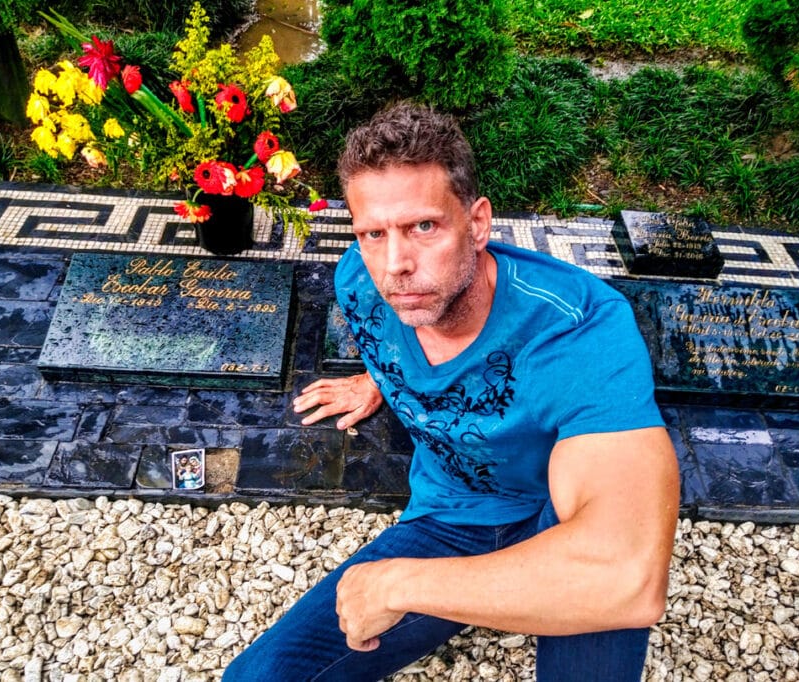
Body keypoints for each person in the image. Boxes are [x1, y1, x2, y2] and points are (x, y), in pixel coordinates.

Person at [222, 103, 680, 681]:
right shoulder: (361, 283)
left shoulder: (579, 329)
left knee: (598, 593)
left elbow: (625, 577)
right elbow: (395, 331)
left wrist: (397, 583)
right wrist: (380, 378)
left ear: (478, 222)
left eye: (424, 227)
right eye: (373, 232)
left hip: (560, 522)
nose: (397, 265)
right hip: (449, 518)